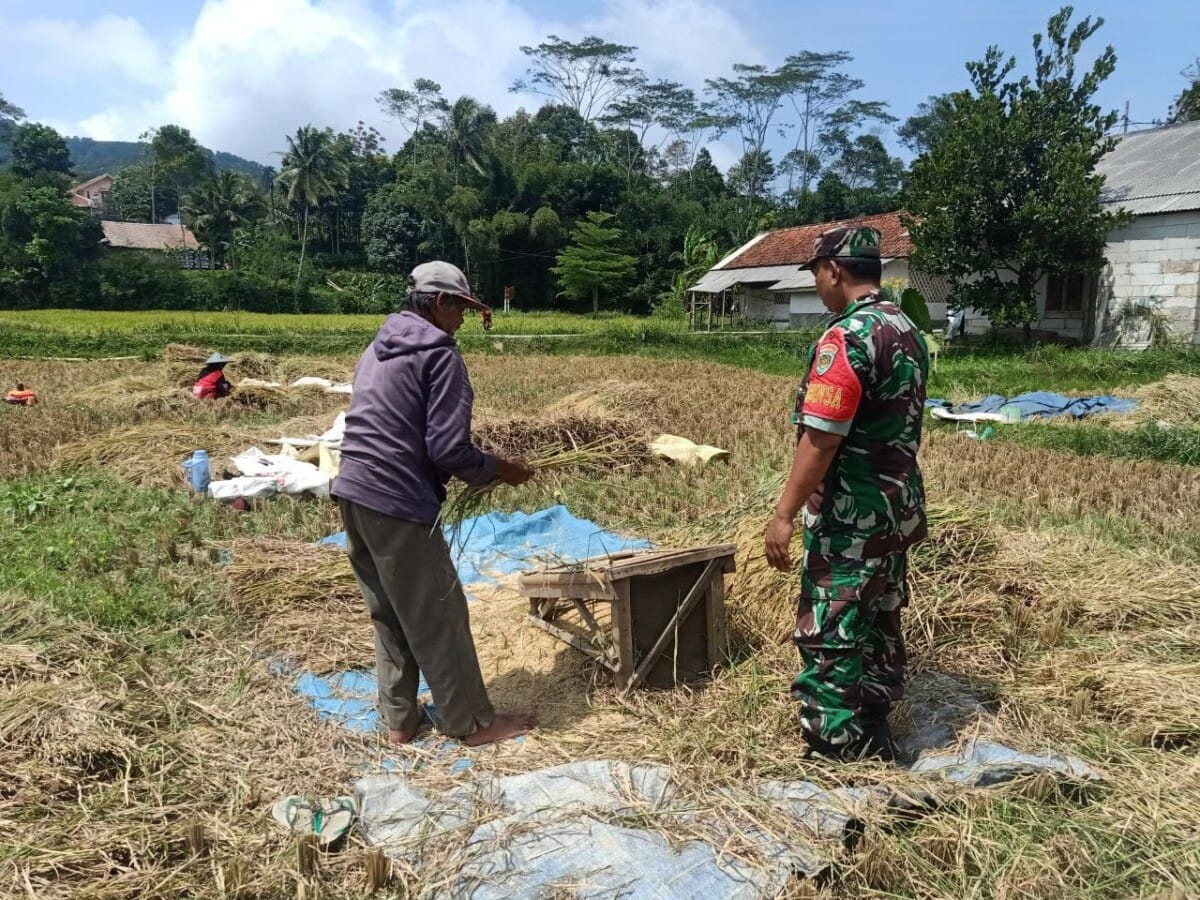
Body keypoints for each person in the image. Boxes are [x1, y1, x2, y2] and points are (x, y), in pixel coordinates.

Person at [332, 261, 536, 747]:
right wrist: (500, 471)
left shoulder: (378, 347)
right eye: (460, 308)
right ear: (439, 303)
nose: (463, 319)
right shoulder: (439, 355)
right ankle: (473, 724)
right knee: (440, 615)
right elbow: (447, 449)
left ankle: (400, 720)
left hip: (353, 491)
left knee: (390, 613)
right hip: (397, 499)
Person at [764, 226, 929, 762]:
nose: (815, 283)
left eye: (814, 272)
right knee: (880, 615)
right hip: (895, 508)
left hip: (851, 514)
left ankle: (832, 745)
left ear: (834, 270)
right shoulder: (904, 327)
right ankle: (875, 725)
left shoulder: (847, 337)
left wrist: (784, 513)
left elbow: (822, 437)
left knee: (830, 626)